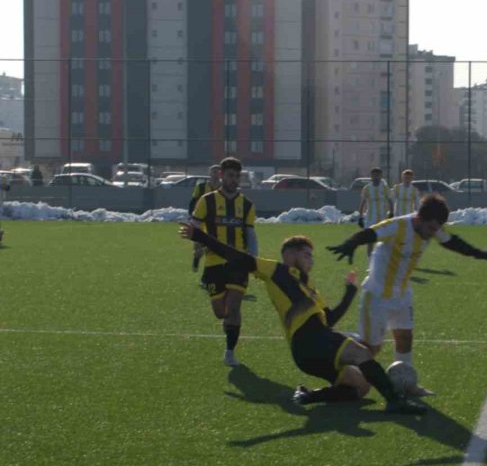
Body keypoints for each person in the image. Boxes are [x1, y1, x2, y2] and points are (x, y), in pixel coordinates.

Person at [178, 222, 426, 415]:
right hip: (311, 339)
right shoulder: (277, 270)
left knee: (360, 388)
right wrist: (200, 236)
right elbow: (238, 256)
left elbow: (328, 320)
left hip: (308, 352)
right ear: (290, 254)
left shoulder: (310, 287)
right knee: (362, 354)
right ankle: (395, 402)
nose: (311, 259)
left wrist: (349, 295)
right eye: (307, 254)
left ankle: (310, 395)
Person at [327, 194, 487, 379]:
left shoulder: (431, 227)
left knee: (405, 337)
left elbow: (453, 242)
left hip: (402, 294)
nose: (434, 233)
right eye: (432, 228)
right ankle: (332, 340)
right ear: (419, 218)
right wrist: (350, 244)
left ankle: (405, 381)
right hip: (377, 295)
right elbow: (370, 232)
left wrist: (481, 254)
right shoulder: (398, 226)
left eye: (437, 229)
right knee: (371, 349)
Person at [190, 157, 258, 366]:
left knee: (234, 307)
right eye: (230, 175)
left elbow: (251, 234)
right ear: (221, 175)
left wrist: (253, 260)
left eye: (237, 176)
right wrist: (198, 247)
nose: (234, 180)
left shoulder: (246, 205)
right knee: (221, 312)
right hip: (213, 263)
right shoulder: (207, 201)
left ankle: (229, 352)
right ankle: (229, 327)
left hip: (238, 263)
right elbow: (195, 226)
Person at [189, 165, 222, 273]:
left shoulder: (224, 187)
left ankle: (211, 272)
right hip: (201, 220)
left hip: (217, 222)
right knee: (198, 247)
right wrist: (191, 216)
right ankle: (196, 260)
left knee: (214, 248)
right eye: (213, 172)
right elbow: (193, 201)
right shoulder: (201, 187)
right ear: (209, 173)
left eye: (217, 172)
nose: (215, 174)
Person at [358, 167, 394, 257]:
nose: (375, 177)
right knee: (370, 240)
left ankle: (383, 260)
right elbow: (362, 203)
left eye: (377, 175)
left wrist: (391, 213)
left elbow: (390, 201)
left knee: (384, 240)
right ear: (371, 176)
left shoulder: (385, 187)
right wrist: (360, 217)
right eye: (374, 175)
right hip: (370, 218)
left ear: (381, 176)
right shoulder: (367, 188)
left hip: (382, 217)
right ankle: (370, 263)